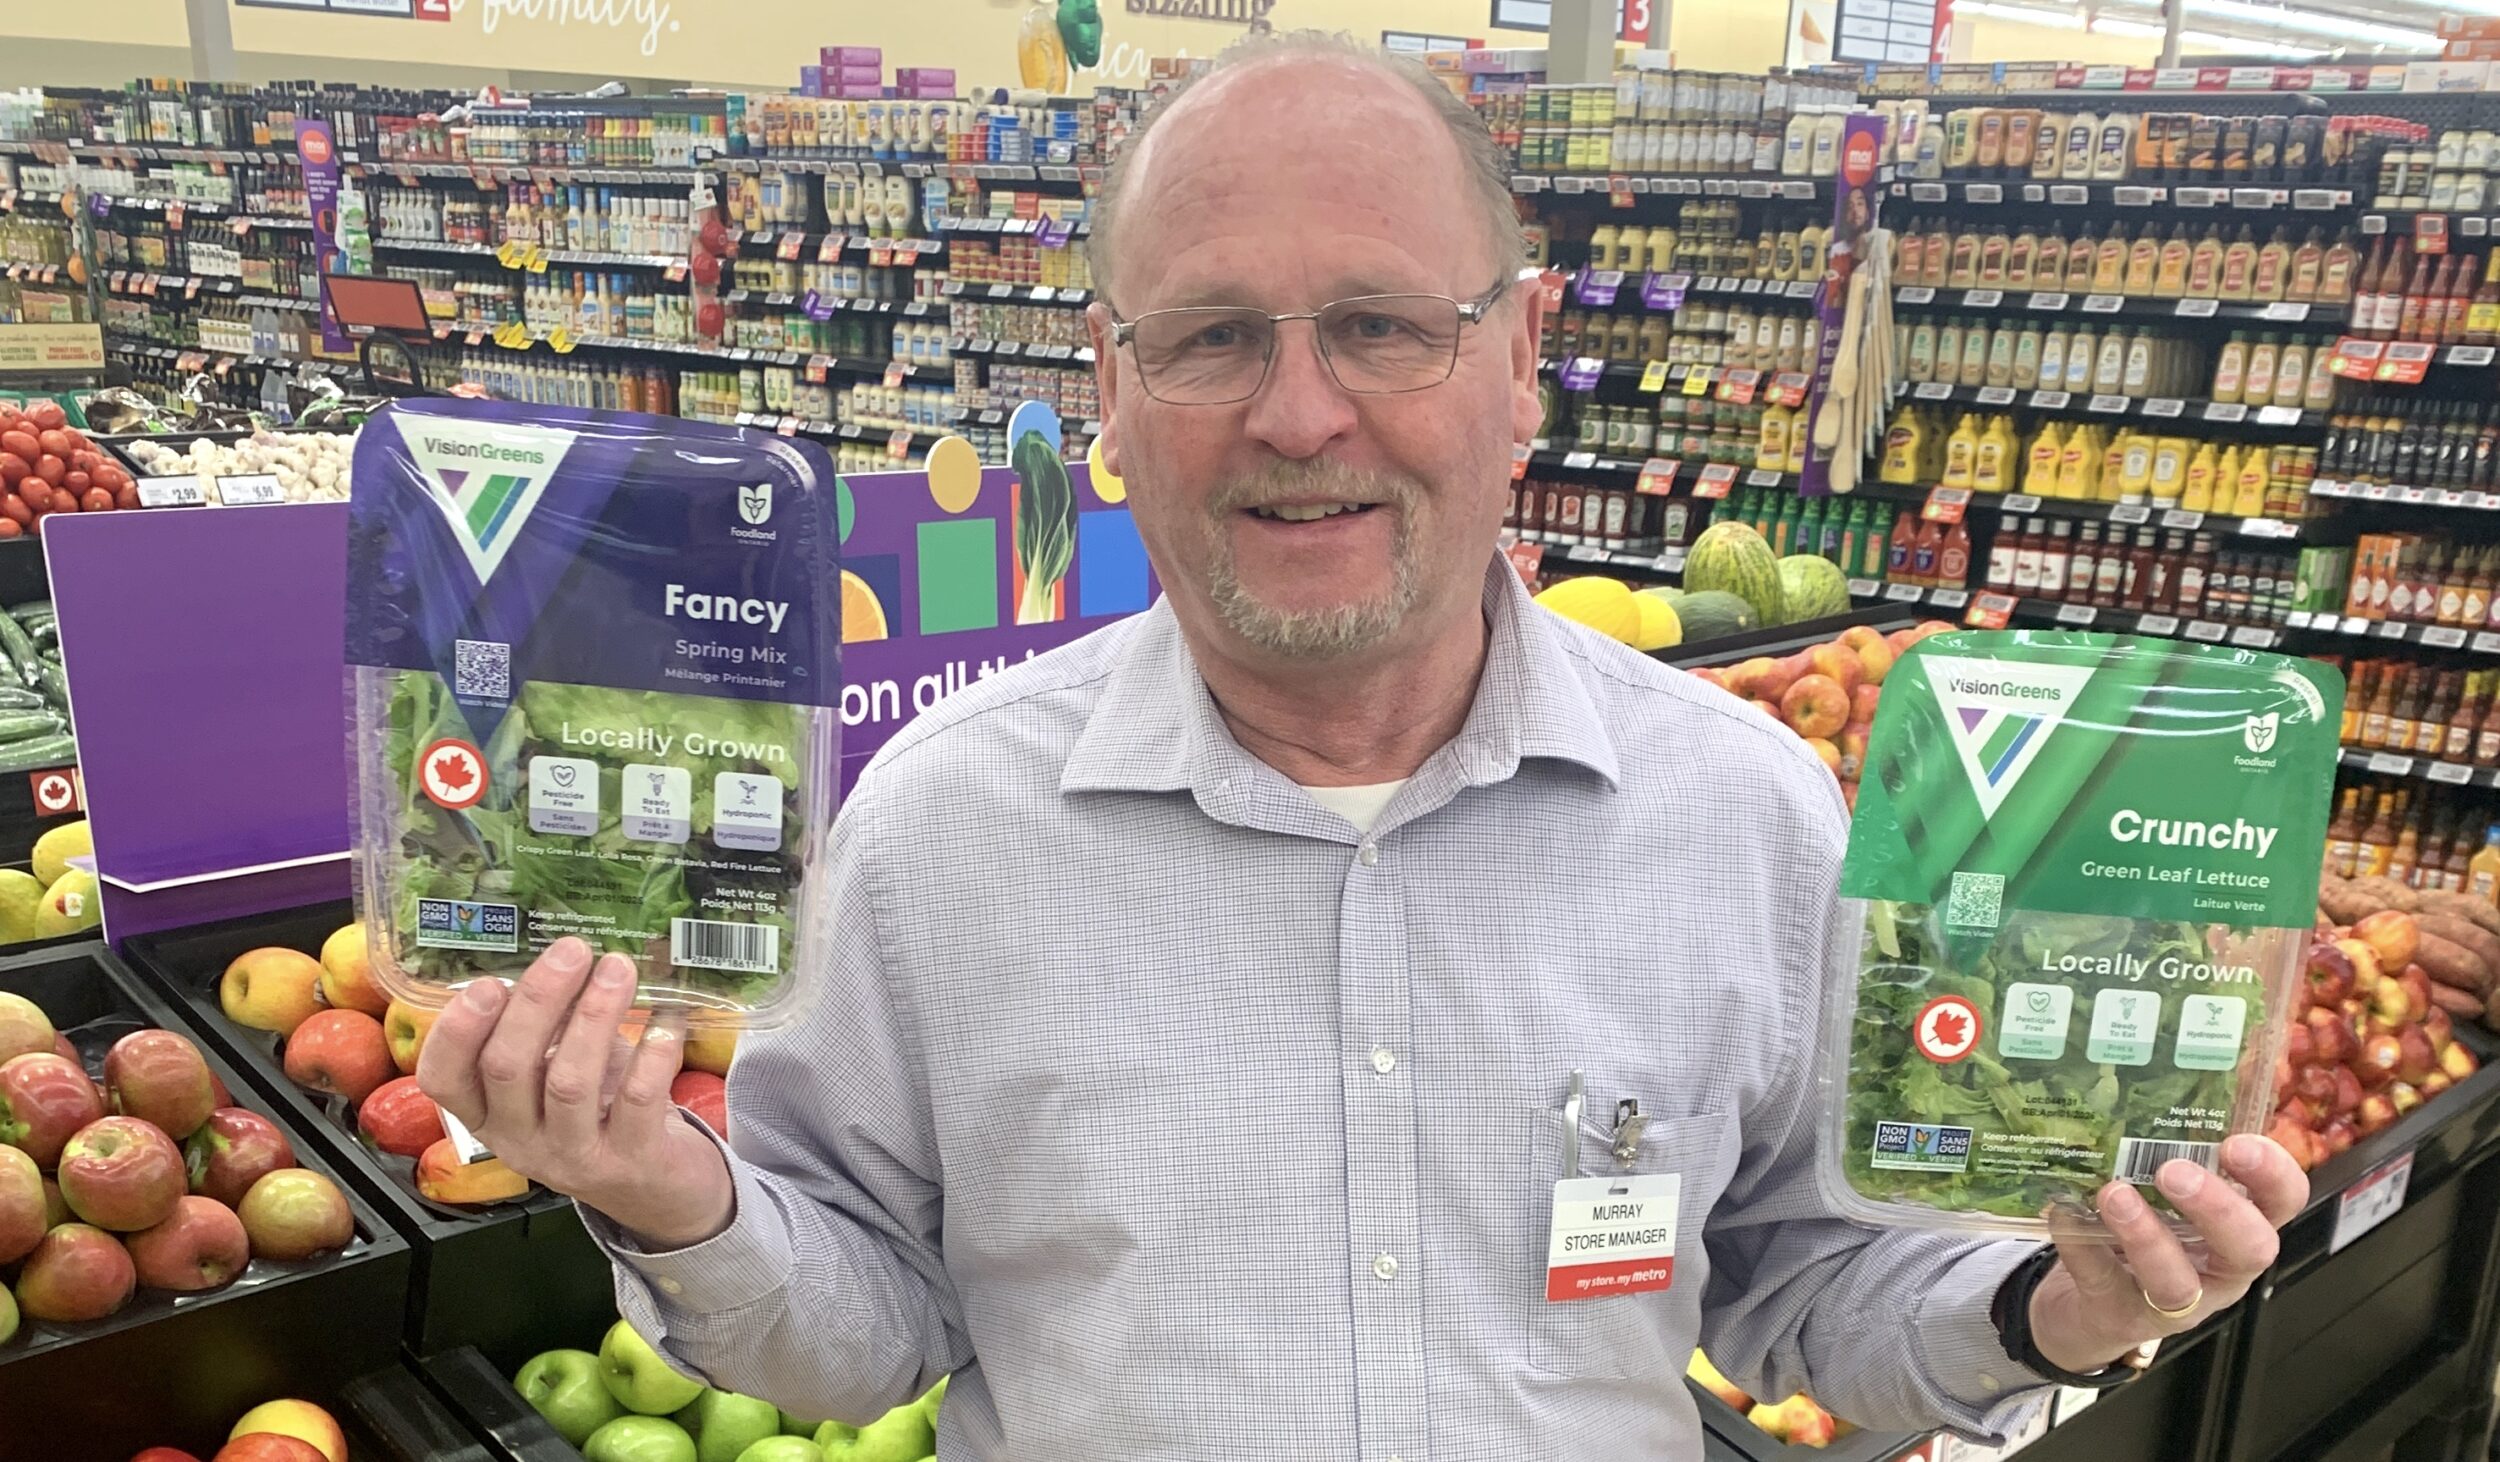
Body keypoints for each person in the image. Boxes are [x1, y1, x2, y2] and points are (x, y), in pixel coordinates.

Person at [416, 32, 2305, 1459]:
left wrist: (2059, 1305)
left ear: (1517, 358)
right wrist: (665, 1185)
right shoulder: (934, 830)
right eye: (1216, 335)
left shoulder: (1746, 813)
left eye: (1384, 326)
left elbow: (1816, 1288)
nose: (1301, 413)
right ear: (1118, 392)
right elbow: (867, 1333)